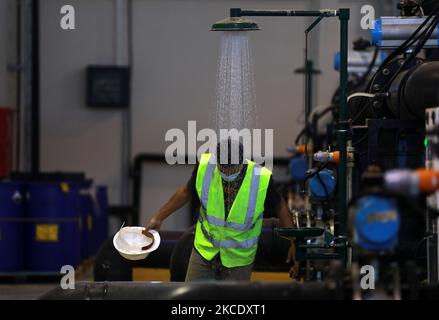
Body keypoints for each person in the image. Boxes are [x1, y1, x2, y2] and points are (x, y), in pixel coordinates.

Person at [144, 139, 297, 281]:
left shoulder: (260, 178)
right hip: (204, 252)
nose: (226, 173)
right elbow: (186, 192)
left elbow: (281, 207)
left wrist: (293, 242)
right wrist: (158, 217)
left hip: (238, 259)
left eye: (231, 170)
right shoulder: (206, 167)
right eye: (222, 168)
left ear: (241, 162)